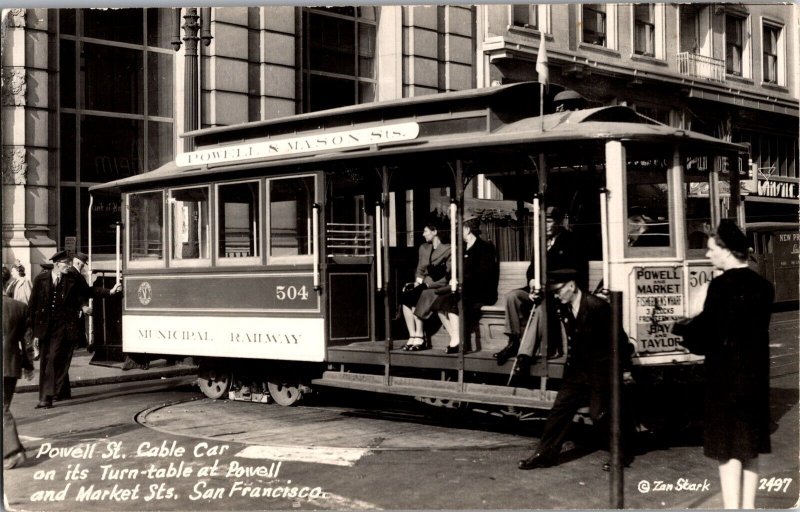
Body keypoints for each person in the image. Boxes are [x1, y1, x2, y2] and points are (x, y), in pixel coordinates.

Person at [671, 220, 773, 509]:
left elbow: (707, 334)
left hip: (725, 380)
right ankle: (749, 506)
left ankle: (732, 508)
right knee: (750, 446)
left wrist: (682, 329)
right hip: (755, 379)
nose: (707, 255)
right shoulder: (764, 287)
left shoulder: (720, 286)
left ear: (726, 251)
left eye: (711, 249)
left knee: (727, 448)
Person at [518, 268, 634, 471]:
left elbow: (619, 340)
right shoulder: (563, 305)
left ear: (571, 286)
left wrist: (625, 369)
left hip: (600, 370)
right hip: (577, 371)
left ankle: (620, 455)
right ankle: (544, 455)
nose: (555, 294)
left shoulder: (597, 306)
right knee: (559, 412)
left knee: (600, 415)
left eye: (558, 290)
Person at [494, 206, 586, 365]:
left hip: (560, 290)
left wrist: (545, 282)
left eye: (549, 221)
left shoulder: (571, 240)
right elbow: (532, 268)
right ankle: (514, 341)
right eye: (543, 221)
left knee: (540, 306)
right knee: (512, 297)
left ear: (558, 222)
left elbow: (574, 270)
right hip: (538, 288)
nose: (545, 225)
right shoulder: (541, 241)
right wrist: (531, 282)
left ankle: (525, 354)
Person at [28, 249, 90, 408]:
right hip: (44, 328)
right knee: (45, 363)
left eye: (69, 263)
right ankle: (51, 394)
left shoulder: (71, 280)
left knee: (53, 360)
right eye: (66, 263)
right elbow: (32, 305)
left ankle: (46, 398)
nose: (69, 266)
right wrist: (32, 331)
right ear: (56, 264)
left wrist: (109, 292)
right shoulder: (40, 279)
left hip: (62, 328)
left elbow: (87, 292)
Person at [432, 218, 498, 354]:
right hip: (463, 289)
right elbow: (452, 271)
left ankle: (458, 342)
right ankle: (456, 338)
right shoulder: (461, 249)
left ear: (467, 230)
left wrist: (461, 281)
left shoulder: (485, 248)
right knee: (438, 303)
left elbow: (483, 274)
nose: (457, 232)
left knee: (452, 302)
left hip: (480, 291)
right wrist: (452, 279)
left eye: (460, 229)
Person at [399, 222, 451, 351]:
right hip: (424, 284)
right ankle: (413, 335)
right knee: (406, 298)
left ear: (435, 232)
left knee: (417, 295)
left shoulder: (448, 248)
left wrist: (428, 284)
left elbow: (448, 275)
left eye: (425, 231)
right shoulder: (423, 248)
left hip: (438, 285)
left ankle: (420, 335)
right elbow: (420, 270)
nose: (423, 234)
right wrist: (418, 282)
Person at [3, 266, 34, 469]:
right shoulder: (19, 307)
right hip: (11, 365)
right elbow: (27, 341)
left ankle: (13, 451)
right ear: (7, 283)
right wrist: (28, 365)